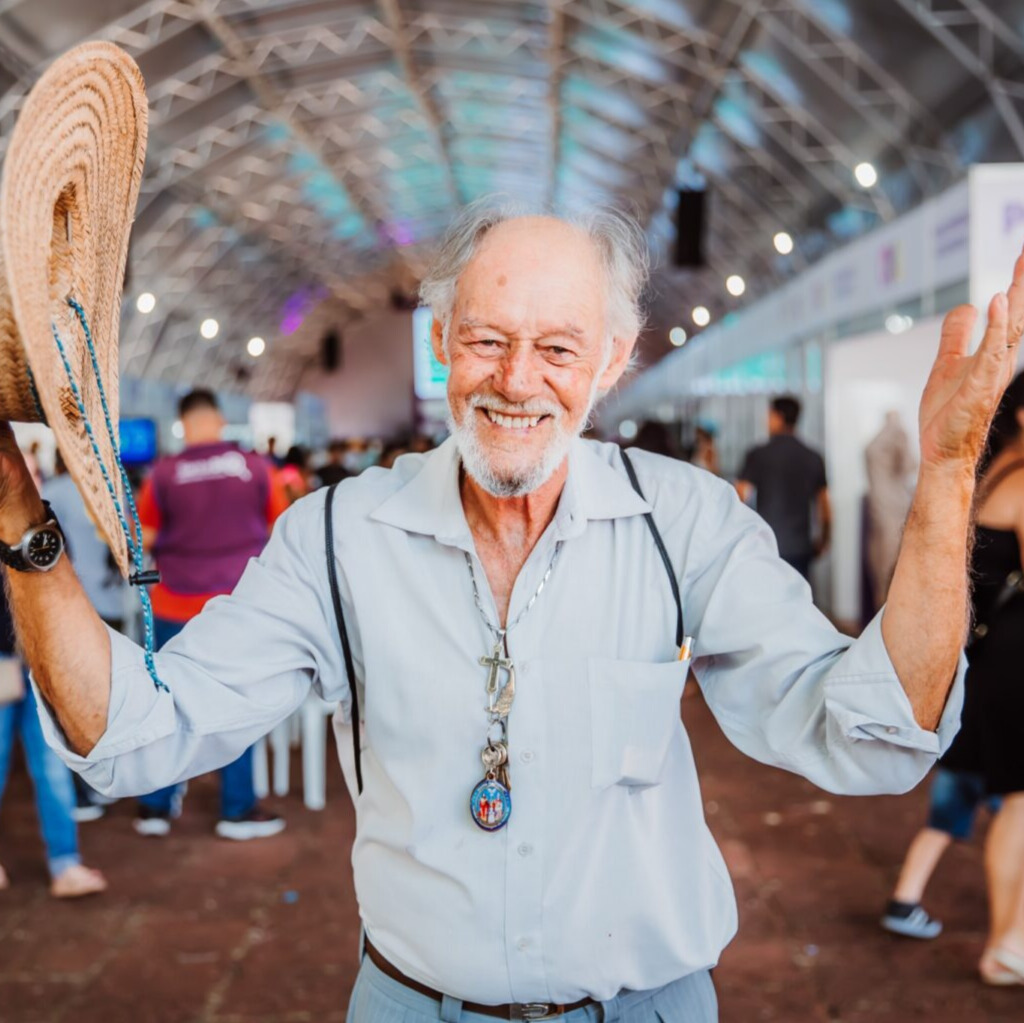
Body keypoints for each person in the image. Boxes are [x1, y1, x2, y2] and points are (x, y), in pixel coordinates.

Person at [2, 202, 1021, 1021]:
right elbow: (133, 737)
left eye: (558, 348)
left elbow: (875, 736)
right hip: (407, 1004)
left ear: (613, 359)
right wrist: (19, 514)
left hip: (645, 1009)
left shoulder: (683, 521)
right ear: (442, 341)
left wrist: (943, 479)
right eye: (486, 340)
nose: (517, 381)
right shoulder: (335, 537)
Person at [883, 370, 1024, 985]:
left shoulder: (993, 472)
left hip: (991, 660)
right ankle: (1007, 947)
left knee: (985, 790)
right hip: (1014, 661)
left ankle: (991, 935)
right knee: (1018, 802)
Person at [131, 388, 288, 840]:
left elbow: (147, 536)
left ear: (183, 425)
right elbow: (281, 528)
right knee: (239, 701)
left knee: (168, 703)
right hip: (237, 605)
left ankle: (155, 808)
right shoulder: (255, 467)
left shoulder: (162, 474)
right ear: (218, 421)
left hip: (173, 603)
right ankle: (235, 809)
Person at [0, 586, 106, 898]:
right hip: (17, 658)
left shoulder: (43, 535)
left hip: (39, 661)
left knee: (54, 768)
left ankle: (65, 865)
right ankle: (65, 865)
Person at [42, 451, 126, 821]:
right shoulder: (112, 487)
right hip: (111, 601)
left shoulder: (54, 491)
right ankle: (103, 782)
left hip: (74, 605)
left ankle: (83, 790)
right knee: (110, 696)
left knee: (74, 701)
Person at [735, 395, 830, 580]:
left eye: (769, 415)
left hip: (766, 544)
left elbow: (739, 496)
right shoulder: (813, 456)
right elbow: (824, 506)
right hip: (801, 546)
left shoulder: (758, 455)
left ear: (777, 416)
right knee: (800, 599)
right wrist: (824, 539)